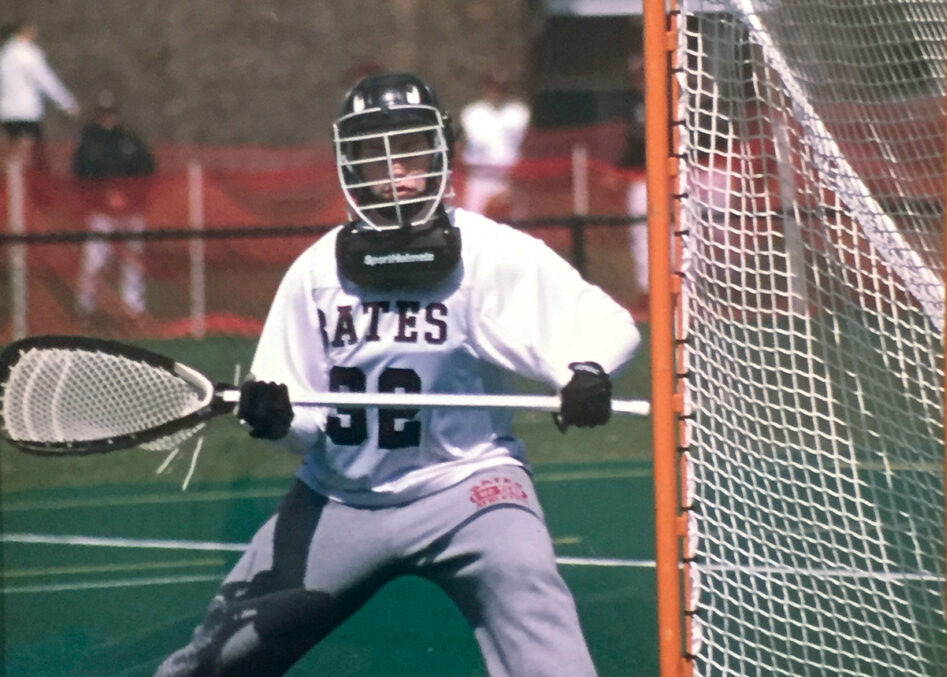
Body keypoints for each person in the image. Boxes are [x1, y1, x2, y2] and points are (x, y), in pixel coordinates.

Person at [155, 72, 640, 677]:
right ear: (350, 164)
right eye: (374, 153)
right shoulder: (316, 273)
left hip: (471, 488)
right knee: (214, 658)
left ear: (443, 148)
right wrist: (277, 420)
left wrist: (587, 371)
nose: (396, 168)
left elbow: (607, 322)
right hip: (340, 497)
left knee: (542, 629)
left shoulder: (488, 253)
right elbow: (302, 426)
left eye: (410, 146)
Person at [72, 91, 155, 320]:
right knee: (95, 260)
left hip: (131, 210)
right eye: (103, 113)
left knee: (133, 258)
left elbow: (147, 168)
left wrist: (129, 195)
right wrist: (103, 195)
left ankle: (133, 309)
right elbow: (82, 174)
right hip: (101, 212)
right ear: (97, 114)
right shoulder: (89, 141)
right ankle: (85, 308)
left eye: (111, 113)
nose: (108, 118)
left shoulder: (129, 139)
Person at [0, 20, 78, 169]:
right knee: (34, 157)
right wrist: (67, 103)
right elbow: (46, 80)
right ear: (24, 31)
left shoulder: (4, 55)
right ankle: (26, 187)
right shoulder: (28, 54)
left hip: (7, 114)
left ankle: (15, 183)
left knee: (16, 151)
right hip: (26, 112)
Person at [458, 68, 530, 218]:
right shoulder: (472, 113)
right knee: (474, 217)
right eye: (493, 87)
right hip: (480, 174)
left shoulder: (518, 113)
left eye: (502, 88)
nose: (497, 92)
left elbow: (524, 143)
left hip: (508, 174)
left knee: (515, 219)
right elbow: (464, 142)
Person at [617, 52, 649, 311]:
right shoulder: (634, 106)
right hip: (642, 178)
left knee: (684, 236)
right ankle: (647, 290)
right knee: (642, 234)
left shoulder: (676, 100)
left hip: (681, 177)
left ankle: (689, 292)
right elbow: (632, 146)